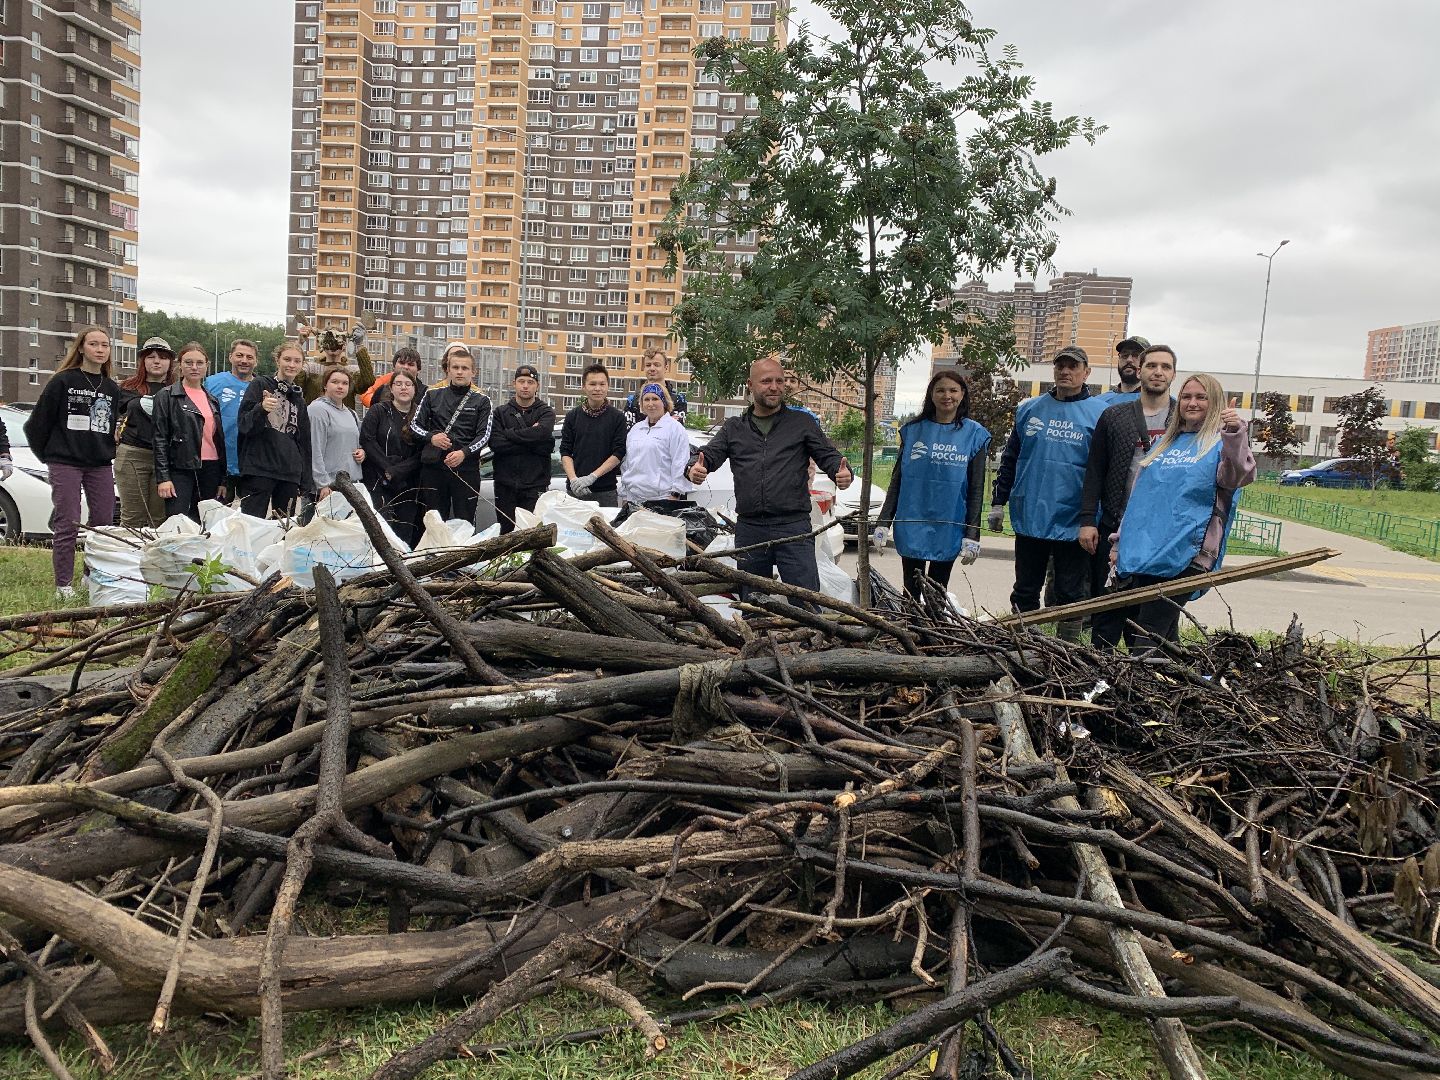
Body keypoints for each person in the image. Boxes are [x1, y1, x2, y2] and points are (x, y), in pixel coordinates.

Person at [1105, 375, 1257, 649]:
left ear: (1215, 403)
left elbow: (1237, 475)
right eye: (1187, 397)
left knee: (1147, 633)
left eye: (1201, 397)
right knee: (1163, 634)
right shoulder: (1165, 444)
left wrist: (1236, 435)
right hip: (1148, 552)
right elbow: (1140, 500)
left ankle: (1142, 689)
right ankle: (1191, 681)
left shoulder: (1219, 444)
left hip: (1188, 554)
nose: (1192, 402)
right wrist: (1119, 542)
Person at [688, 358, 853, 595]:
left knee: (805, 602)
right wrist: (694, 468)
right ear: (750, 385)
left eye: (779, 381)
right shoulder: (734, 428)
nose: (774, 387)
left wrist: (842, 472)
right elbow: (706, 457)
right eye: (766, 381)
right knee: (753, 603)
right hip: (750, 528)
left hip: (793, 528)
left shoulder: (801, 423)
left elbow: (830, 457)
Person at [988, 345, 1108, 640]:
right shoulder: (1029, 409)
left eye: (1073, 367)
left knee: (1070, 591)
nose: (1066, 372)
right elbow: (1011, 459)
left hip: (1074, 519)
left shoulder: (1100, 414)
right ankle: (1025, 643)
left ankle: (1066, 648)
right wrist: (998, 502)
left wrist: (1093, 518)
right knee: (1026, 587)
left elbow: (1105, 469)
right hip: (1031, 514)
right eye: (1060, 366)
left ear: (1086, 373)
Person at [1081, 345, 1178, 649]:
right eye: (1151, 366)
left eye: (1165, 366)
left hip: (1161, 533)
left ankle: (1147, 680)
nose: (1158, 372)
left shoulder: (1183, 419)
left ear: (1173, 374)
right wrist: (1087, 520)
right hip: (1114, 526)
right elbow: (1095, 470)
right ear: (1140, 371)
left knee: (1155, 617)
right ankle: (1099, 678)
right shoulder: (1114, 416)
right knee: (1108, 612)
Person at [873, 369, 991, 600]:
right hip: (912, 520)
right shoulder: (913, 431)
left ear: (962, 394)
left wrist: (972, 534)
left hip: (949, 524)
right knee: (911, 590)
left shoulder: (974, 435)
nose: (947, 395)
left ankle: (934, 634)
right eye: (940, 390)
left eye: (953, 390)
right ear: (931, 395)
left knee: (937, 593)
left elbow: (976, 488)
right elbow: (897, 480)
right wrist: (883, 523)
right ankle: (910, 633)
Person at [23, 325, 121, 595]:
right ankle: (63, 584)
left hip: (99, 464)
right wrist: (51, 455)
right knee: (68, 521)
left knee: (103, 524)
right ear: (80, 348)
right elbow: (36, 425)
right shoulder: (63, 381)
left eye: (104, 345)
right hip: (65, 462)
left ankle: (92, 577)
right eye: (93, 344)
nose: (100, 350)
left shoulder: (112, 388)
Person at [410, 342, 493, 523]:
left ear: (473, 372)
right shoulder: (432, 395)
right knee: (434, 522)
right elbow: (414, 426)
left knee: (465, 521)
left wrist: (464, 453)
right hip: (435, 469)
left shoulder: (482, 400)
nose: (460, 372)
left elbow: (484, 435)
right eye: (455, 367)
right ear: (448, 369)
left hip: (466, 469)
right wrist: (432, 437)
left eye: (465, 368)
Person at [236, 341, 311, 520]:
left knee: (282, 529)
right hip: (259, 470)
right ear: (277, 360)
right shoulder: (260, 384)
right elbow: (244, 424)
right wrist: (261, 408)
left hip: (289, 474)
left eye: (297, 361)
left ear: (302, 364)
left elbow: (304, 442)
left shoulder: (299, 400)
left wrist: (305, 480)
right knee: (252, 525)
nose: (291, 365)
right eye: (287, 359)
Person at [152, 343, 227, 522]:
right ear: (180, 365)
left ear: (206, 365)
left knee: (205, 522)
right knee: (178, 522)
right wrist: (163, 477)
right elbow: (159, 438)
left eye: (199, 363)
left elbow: (218, 440)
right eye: (189, 362)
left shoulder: (212, 400)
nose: (194, 367)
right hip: (181, 468)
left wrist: (222, 480)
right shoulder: (167, 395)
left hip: (211, 469)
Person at [114, 336, 177, 527]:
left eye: (162, 357)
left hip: (165, 459)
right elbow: (108, 417)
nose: (157, 361)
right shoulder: (127, 387)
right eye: (151, 357)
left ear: (170, 362)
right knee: (132, 518)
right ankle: (128, 556)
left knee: (158, 520)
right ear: (143, 361)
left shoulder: (177, 390)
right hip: (133, 455)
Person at [360, 367, 426, 546]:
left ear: (415, 389)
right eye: (398, 384)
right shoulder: (378, 411)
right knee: (381, 530)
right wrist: (387, 468)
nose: (403, 388)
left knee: (404, 533)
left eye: (408, 384)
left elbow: (424, 450)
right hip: (379, 480)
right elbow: (367, 440)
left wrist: (400, 470)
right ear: (391, 388)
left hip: (408, 483)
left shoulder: (422, 415)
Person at [489, 363, 556, 533]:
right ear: (514, 384)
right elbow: (496, 443)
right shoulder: (500, 413)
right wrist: (531, 441)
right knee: (506, 534)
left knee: (532, 534)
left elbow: (543, 436)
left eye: (530, 382)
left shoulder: (546, 412)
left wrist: (509, 434)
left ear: (537, 386)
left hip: (535, 485)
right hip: (505, 485)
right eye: (521, 381)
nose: (525, 386)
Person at [561, 363, 627, 506]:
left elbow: (619, 453)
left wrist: (592, 477)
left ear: (607, 386)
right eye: (592, 384)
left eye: (602, 384)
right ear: (584, 387)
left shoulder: (618, 418)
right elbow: (565, 451)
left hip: (605, 492)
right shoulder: (572, 416)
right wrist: (573, 480)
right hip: (575, 490)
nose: (598, 388)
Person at [619, 383, 693, 505]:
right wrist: (626, 495)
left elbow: (680, 463)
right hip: (633, 499)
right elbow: (627, 464)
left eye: (655, 399)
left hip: (661, 499)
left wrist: (675, 495)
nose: (650, 403)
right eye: (646, 399)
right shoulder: (636, 429)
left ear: (664, 402)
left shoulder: (675, 429)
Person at [204, 338, 260, 489]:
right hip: (219, 460)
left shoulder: (261, 387)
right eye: (239, 355)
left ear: (256, 361)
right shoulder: (211, 383)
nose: (244, 361)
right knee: (217, 510)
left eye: (249, 357)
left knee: (250, 512)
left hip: (251, 463)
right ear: (230, 357)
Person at [308, 367, 364, 505]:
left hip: (351, 486)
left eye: (345, 383)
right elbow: (315, 449)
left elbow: (356, 444)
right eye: (335, 382)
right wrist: (322, 484)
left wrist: (362, 452)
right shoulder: (317, 409)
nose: (340, 386)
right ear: (325, 385)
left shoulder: (352, 413)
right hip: (328, 488)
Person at [297, 323, 374, 408]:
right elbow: (295, 381)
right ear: (321, 343)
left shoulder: (351, 371)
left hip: (342, 419)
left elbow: (368, 380)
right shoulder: (310, 368)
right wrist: (299, 343)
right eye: (328, 338)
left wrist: (360, 345)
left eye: (338, 338)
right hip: (314, 419)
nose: (333, 342)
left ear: (344, 345)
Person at [623, 347, 687, 427]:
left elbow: (675, 429)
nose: (652, 368)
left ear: (666, 368)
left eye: (657, 365)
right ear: (644, 368)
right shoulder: (632, 400)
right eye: (648, 365)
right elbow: (629, 431)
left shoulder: (679, 399)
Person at [1098, 335, 1150, 404]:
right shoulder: (1100, 403)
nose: (1129, 360)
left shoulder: (1159, 403)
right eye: (1125, 355)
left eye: (1136, 355)